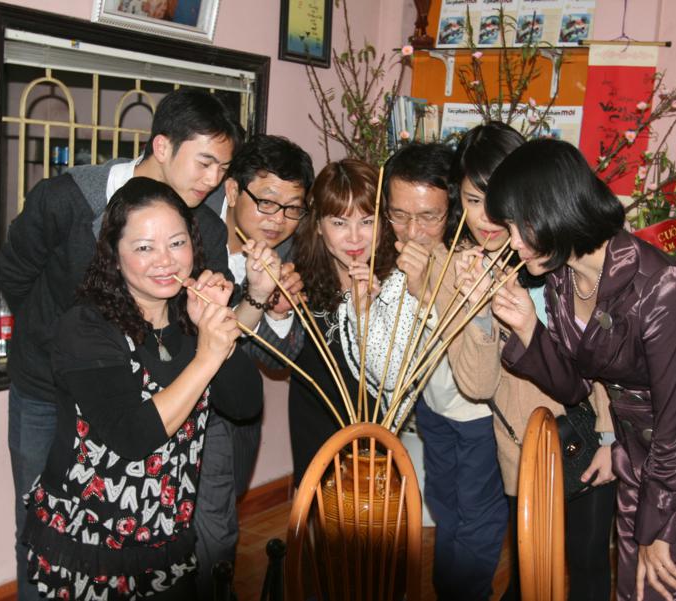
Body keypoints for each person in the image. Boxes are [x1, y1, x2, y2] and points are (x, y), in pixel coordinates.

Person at [486, 138, 676, 601]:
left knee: (656, 591)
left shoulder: (661, 291)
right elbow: (575, 388)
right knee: (632, 590)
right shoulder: (562, 275)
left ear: (559, 208)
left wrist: (655, 530)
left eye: (522, 225)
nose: (514, 242)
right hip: (645, 456)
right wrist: (528, 328)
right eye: (510, 227)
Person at [0, 88, 242, 601]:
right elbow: (13, 273)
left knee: (143, 527)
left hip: (153, 400)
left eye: (223, 168)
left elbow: (206, 329)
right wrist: (61, 344)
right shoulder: (66, 198)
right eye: (204, 163)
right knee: (46, 524)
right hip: (46, 390)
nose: (213, 179)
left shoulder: (204, 226)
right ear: (162, 146)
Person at [21, 177, 262, 600]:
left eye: (177, 243)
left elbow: (245, 405)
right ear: (114, 255)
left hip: (167, 533)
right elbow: (133, 436)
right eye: (144, 248)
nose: (165, 261)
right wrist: (207, 356)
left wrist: (214, 323)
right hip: (93, 537)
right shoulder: (86, 327)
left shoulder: (191, 320)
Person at [445, 125, 616, 601]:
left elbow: (604, 360)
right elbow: (478, 385)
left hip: (588, 436)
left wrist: (610, 436)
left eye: (497, 199)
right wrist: (478, 310)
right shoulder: (462, 269)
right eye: (473, 200)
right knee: (529, 574)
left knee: (587, 568)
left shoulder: (563, 255)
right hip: (524, 448)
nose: (488, 216)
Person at [380, 141, 509, 601]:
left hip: (480, 415)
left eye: (428, 217)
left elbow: (470, 346)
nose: (413, 231)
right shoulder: (385, 249)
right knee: (443, 504)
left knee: (477, 516)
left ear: (451, 209)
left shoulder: (473, 256)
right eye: (399, 215)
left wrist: (420, 291)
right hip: (434, 409)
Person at [194, 134, 313, 598]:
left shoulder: (290, 254)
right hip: (166, 404)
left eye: (292, 208)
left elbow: (276, 361)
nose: (278, 220)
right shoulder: (187, 229)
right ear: (231, 189)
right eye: (266, 202)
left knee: (216, 536)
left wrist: (279, 314)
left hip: (229, 412)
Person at [289, 159, 417, 484]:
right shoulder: (298, 279)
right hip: (314, 429)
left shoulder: (400, 282)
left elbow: (393, 376)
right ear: (319, 225)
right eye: (339, 222)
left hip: (378, 442)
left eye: (367, 221)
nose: (355, 237)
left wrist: (365, 311)